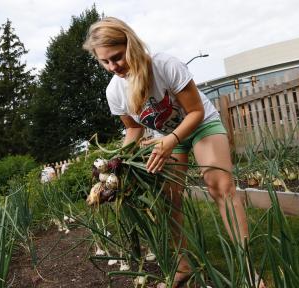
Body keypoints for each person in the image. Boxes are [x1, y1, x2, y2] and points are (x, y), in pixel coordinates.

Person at [83, 17, 265, 288]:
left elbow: (196, 111)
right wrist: (118, 162)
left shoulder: (165, 65)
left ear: (130, 43)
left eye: (117, 57)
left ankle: (249, 270)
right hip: (165, 139)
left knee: (220, 185)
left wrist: (171, 139)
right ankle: (183, 266)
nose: (113, 67)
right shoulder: (114, 91)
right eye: (105, 62)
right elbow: (133, 130)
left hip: (200, 124)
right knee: (167, 200)